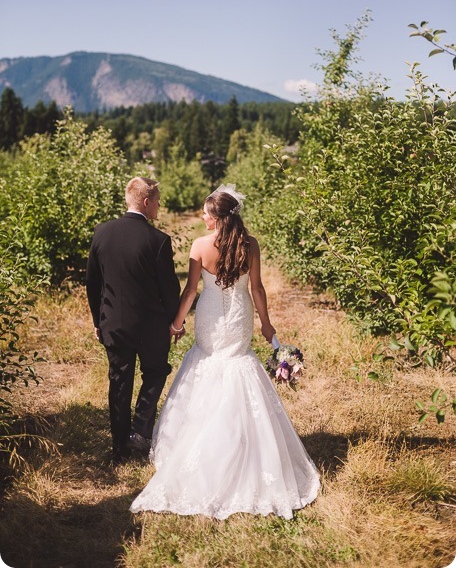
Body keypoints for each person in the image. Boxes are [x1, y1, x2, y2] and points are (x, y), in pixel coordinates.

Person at [130, 184, 320, 519]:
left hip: (209, 317)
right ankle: (240, 444)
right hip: (239, 316)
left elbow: (191, 290)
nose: (202, 217)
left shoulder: (200, 246)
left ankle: (201, 445)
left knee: (207, 363)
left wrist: (176, 323)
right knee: (236, 364)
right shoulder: (250, 245)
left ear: (217, 218)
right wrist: (266, 324)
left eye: (206, 212)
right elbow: (257, 288)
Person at [86, 177, 182, 465]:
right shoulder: (158, 240)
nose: (160, 205)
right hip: (151, 327)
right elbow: (170, 288)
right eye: (157, 200)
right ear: (146, 201)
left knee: (119, 381)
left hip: (113, 323)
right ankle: (140, 431)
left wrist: (97, 319)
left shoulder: (102, 232)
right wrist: (175, 320)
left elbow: (92, 282)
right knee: (155, 373)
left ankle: (119, 448)